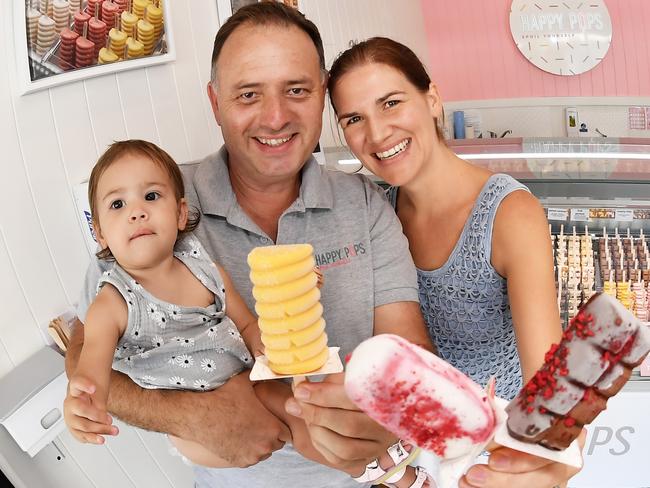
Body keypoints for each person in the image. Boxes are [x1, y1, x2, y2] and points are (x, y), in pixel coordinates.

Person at [64, 4, 435, 488]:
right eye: (248, 94)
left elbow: (407, 350)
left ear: (322, 94)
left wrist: (381, 410)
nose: (276, 117)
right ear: (215, 103)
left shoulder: (365, 206)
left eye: (297, 90)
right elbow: (81, 353)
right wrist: (192, 415)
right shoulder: (155, 204)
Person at [327, 37, 584, 487]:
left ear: (432, 99)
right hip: (405, 460)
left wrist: (549, 465)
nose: (377, 133)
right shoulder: (373, 212)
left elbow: (549, 384)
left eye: (391, 103)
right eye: (354, 118)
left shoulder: (509, 214)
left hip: (489, 453)